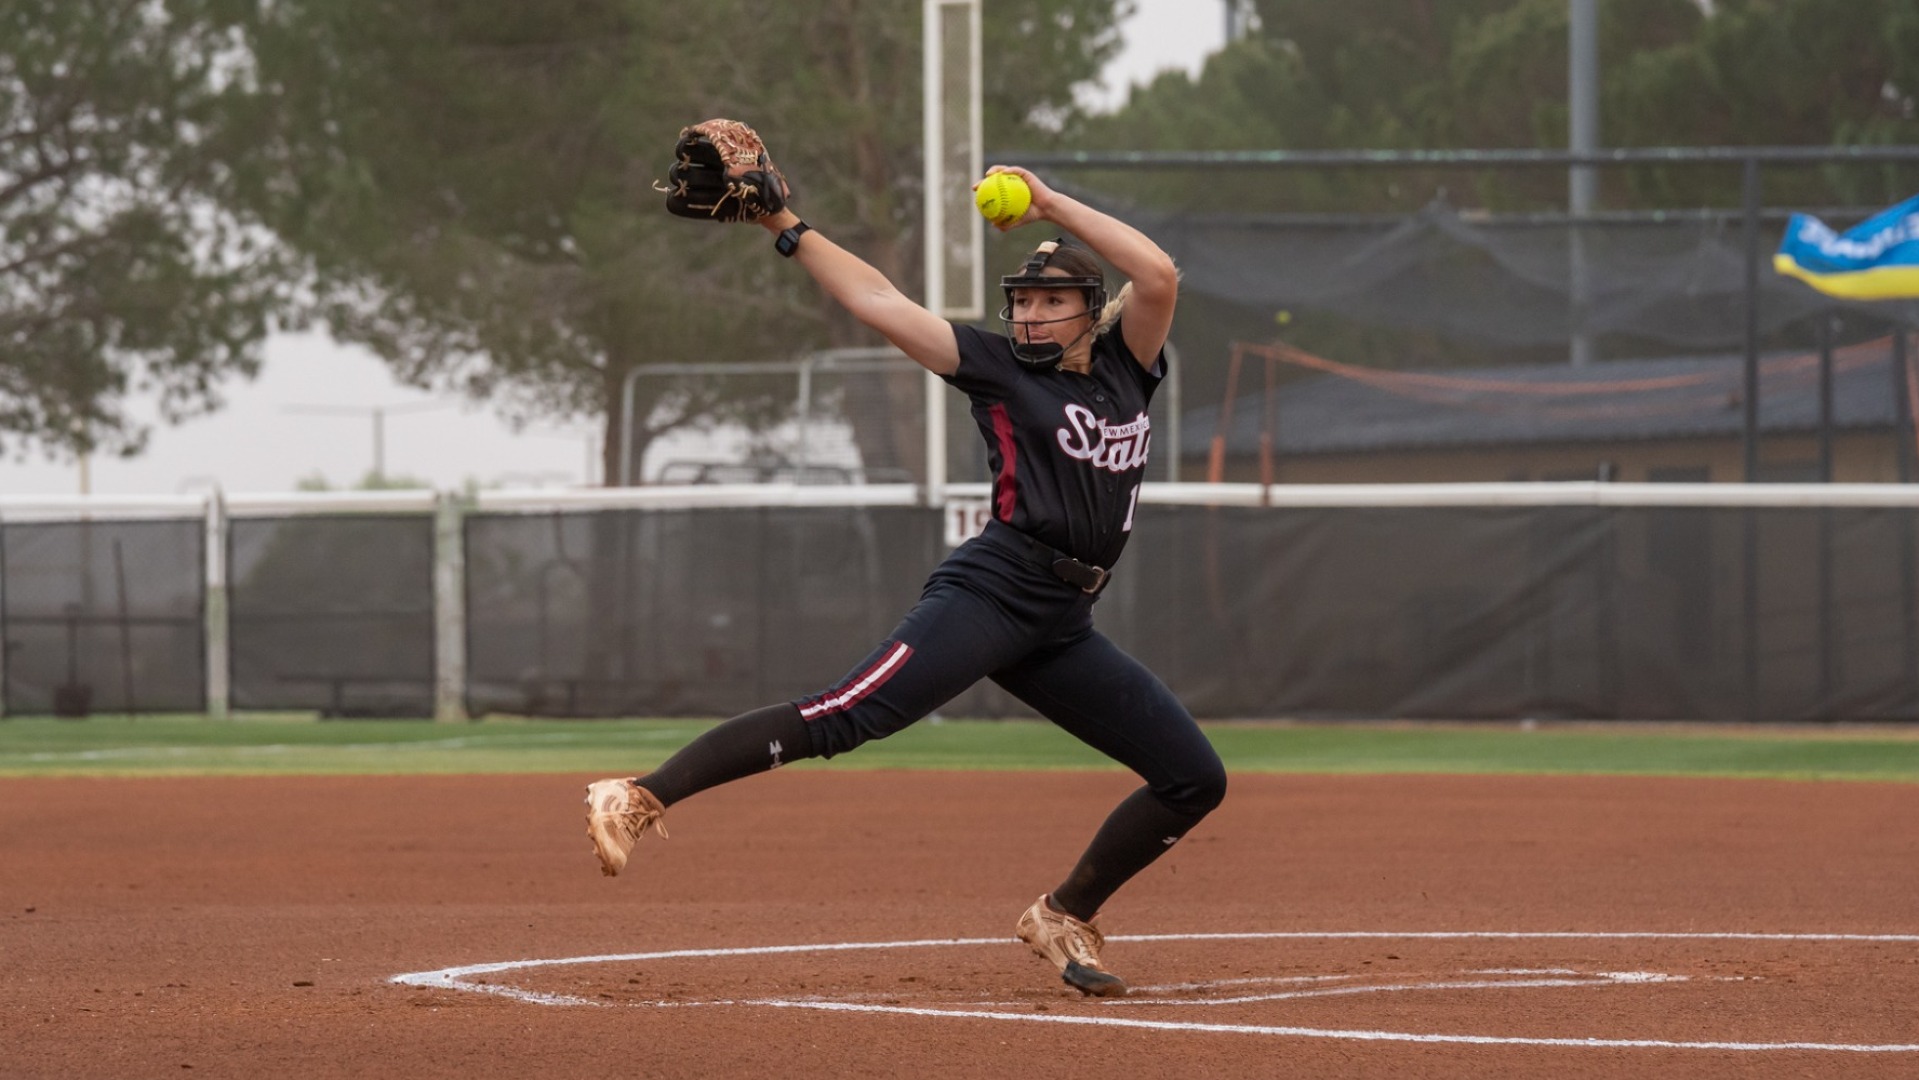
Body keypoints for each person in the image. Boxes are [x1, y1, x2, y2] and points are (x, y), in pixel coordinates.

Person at [585, 161, 1226, 999]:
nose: (1030, 315)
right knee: (844, 715)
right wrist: (784, 224)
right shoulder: (999, 369)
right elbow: (879, 302)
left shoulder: (1125, 368)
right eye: (1022, 304)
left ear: (1087, 310)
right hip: (993, 590)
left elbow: (1157, 274)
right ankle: (638, 794)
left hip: (1063, 618)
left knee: (1193, 779)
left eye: (1049, 303)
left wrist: (1048, 202)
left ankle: (1062, 913)